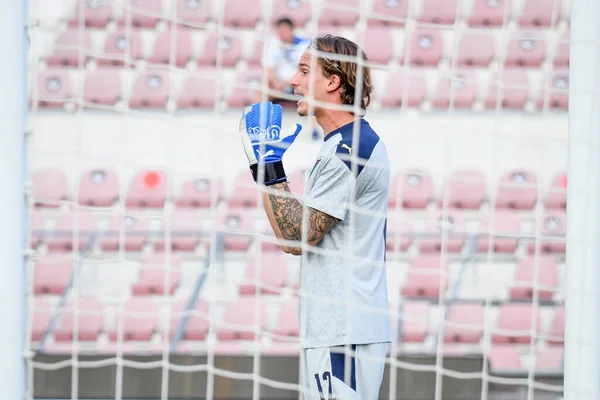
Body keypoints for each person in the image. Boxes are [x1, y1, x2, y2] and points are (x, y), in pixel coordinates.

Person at [239, 35, 390, 399]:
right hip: (334, 331)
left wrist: (268, 165)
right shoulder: (342, 143)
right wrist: (265, 168)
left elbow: (297, 234)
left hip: (345, 334)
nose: (293, 81)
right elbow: (291, 236)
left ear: (333, 82)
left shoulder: (350, 147)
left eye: (305, 71)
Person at [258, 17, 310, 103]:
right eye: (280, 31)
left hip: (298, 83)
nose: (282, 34)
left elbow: (305, 71)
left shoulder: (304, 45)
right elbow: (269, 69)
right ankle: (256, 115)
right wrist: (275, 83)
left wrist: (285, 84)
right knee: (261, 92)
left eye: (285, 31)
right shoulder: (271, 44)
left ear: (292, 30)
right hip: (277, 84)